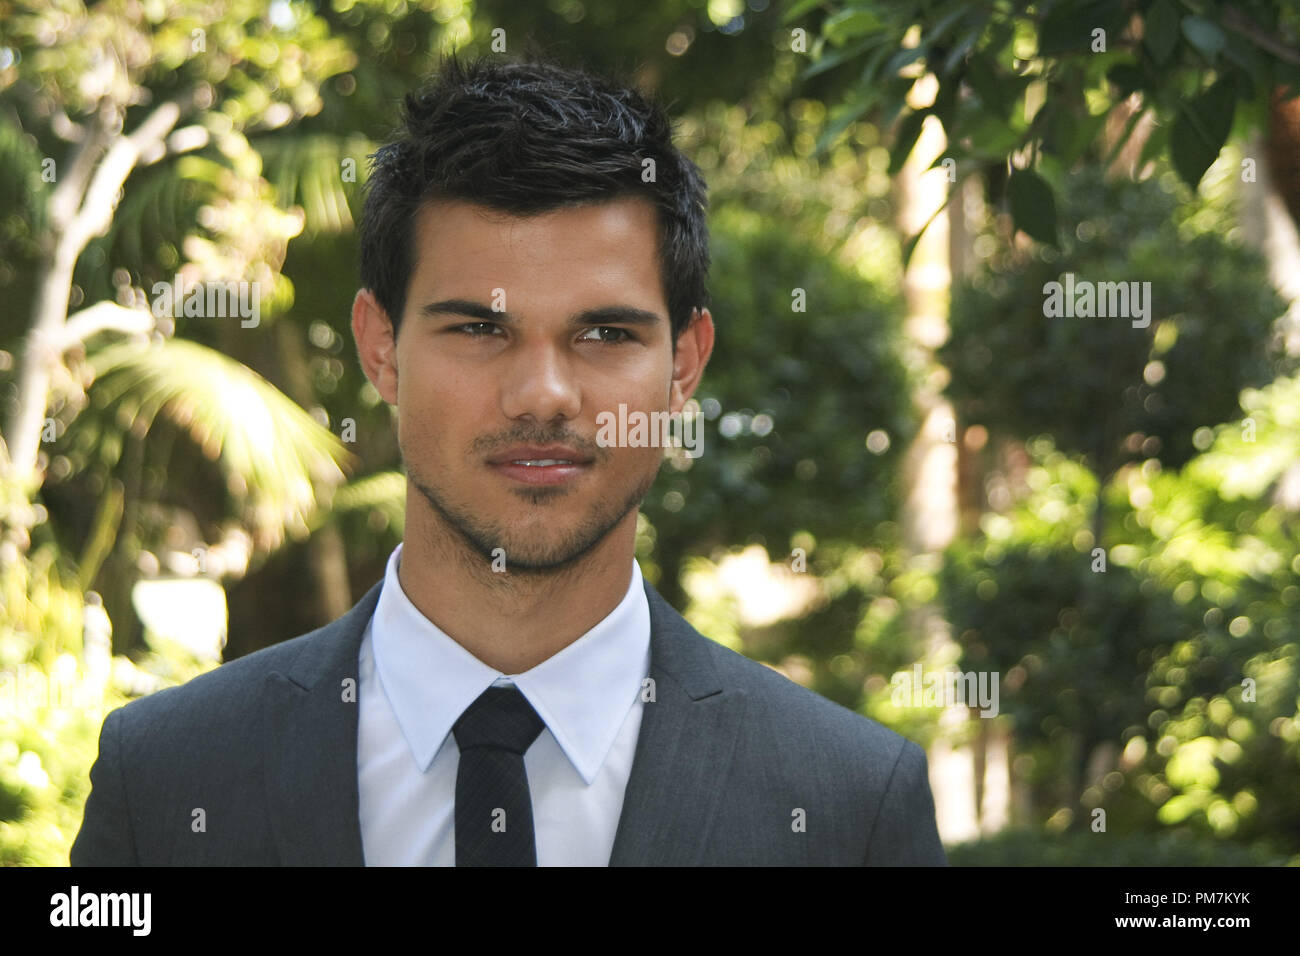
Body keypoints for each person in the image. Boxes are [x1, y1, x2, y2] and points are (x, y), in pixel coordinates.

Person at [71, 53, 946, 866]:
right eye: (479, 328)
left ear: (684, 364)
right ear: (381, 350)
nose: (542, 395)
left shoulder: (850, 808)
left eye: (605, 333)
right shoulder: (165, 781)